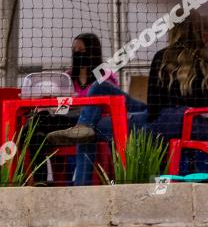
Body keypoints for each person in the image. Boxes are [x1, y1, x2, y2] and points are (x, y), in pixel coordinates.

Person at [47, 11, 208, 178]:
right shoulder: (202, 58)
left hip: (164, 120)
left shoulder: (163, 57)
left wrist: (131, 116)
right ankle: (83, 126)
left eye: (81, 50)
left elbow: (154, 107)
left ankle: (83, 132)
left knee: (94, 125)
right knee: (99, 89)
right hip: (191, 120)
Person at [29, 33, 119, 185]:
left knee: (39, 124)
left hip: (93, 123)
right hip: (69, 120)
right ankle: (41, 182)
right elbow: (63, 109)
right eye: (74, 49)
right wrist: (60, 100)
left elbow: (110, 106)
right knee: (35, 126)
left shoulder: (105, 76)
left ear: (91, 52)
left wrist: (81, 103)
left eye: (81, 50)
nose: (77, 53)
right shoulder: (67, 77)